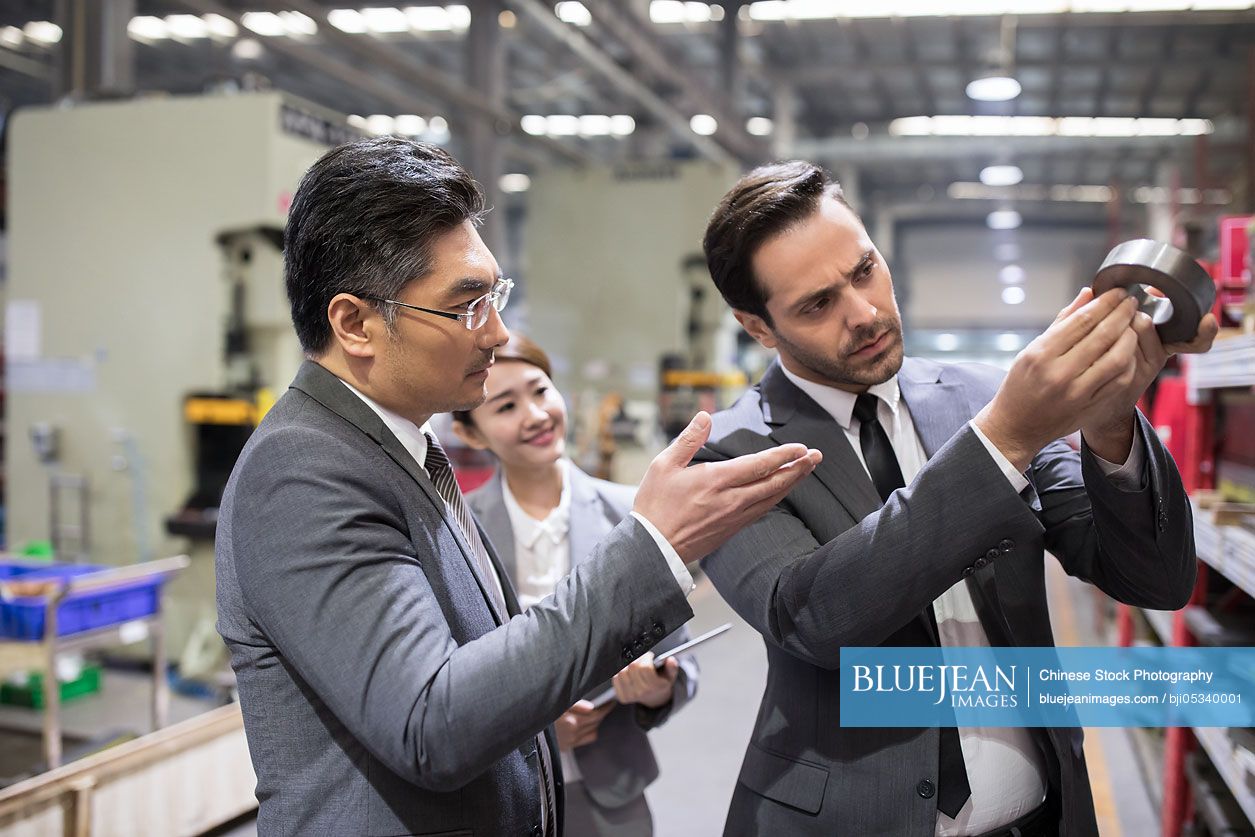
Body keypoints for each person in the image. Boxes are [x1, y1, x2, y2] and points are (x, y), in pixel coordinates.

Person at [214, 138, 822, 837]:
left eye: (494, 296)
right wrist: (650, 547)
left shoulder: (399, 450)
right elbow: (428, 722)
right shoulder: (304, 471)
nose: (497, 333)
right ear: (354, 323)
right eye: (467, 305)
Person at [695, 161, 1217, 836]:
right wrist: (1002, 440)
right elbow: (814, 619)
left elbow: (1153, 576)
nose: (864, 312)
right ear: (757, 326)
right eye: (817, 304)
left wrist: (1108, 421)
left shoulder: (978, 395)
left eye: (863, 270)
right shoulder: (728, 454)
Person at [452, 333, 699, 837]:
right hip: (499, 798)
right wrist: (533, 735)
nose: (536, 415)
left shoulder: (632, 513)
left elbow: (685, 663)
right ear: (472, 434)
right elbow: (451, 682)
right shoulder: (459, 532)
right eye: (505, 406)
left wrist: (657, 689)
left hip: (611, 793)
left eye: (541, 391)